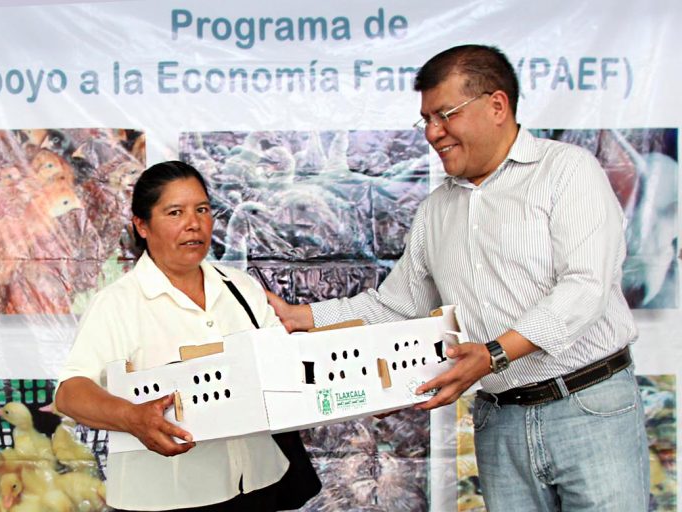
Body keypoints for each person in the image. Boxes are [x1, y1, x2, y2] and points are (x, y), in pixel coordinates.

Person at [268, 45, 649, 511]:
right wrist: (302, 317)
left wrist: (492, 355)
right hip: (502, 420)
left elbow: (584, 288)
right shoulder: (436, 210)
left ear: (497, 105)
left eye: (445, 115)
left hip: (589, 405)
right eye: (426, 120)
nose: (433, 133)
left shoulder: (567, 171)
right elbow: (397, 305)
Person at [55, 161, 320, 511]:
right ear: (142, 225)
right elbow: (70, 394)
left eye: (202, 210)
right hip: (169, 498)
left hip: (258, 482)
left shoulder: (240, 287)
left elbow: (284, 362)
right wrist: (132, 417)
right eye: (175, 212)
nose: (193, 224)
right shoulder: (119, 303)